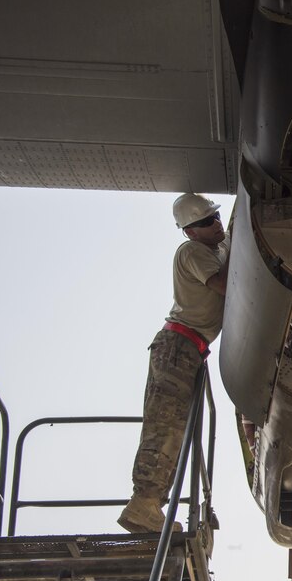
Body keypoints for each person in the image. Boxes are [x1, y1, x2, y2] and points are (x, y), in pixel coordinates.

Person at [118, 193, 229, 533]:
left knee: (176, 429)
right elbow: (226, 285)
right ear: (190, 232)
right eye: (206, 222)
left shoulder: (217, 249)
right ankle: (144, 505)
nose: (216, 224)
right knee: (165, 426)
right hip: (178, 345)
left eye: (216, 217)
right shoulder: (193, 252)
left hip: (191, 348)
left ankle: (150, 504)